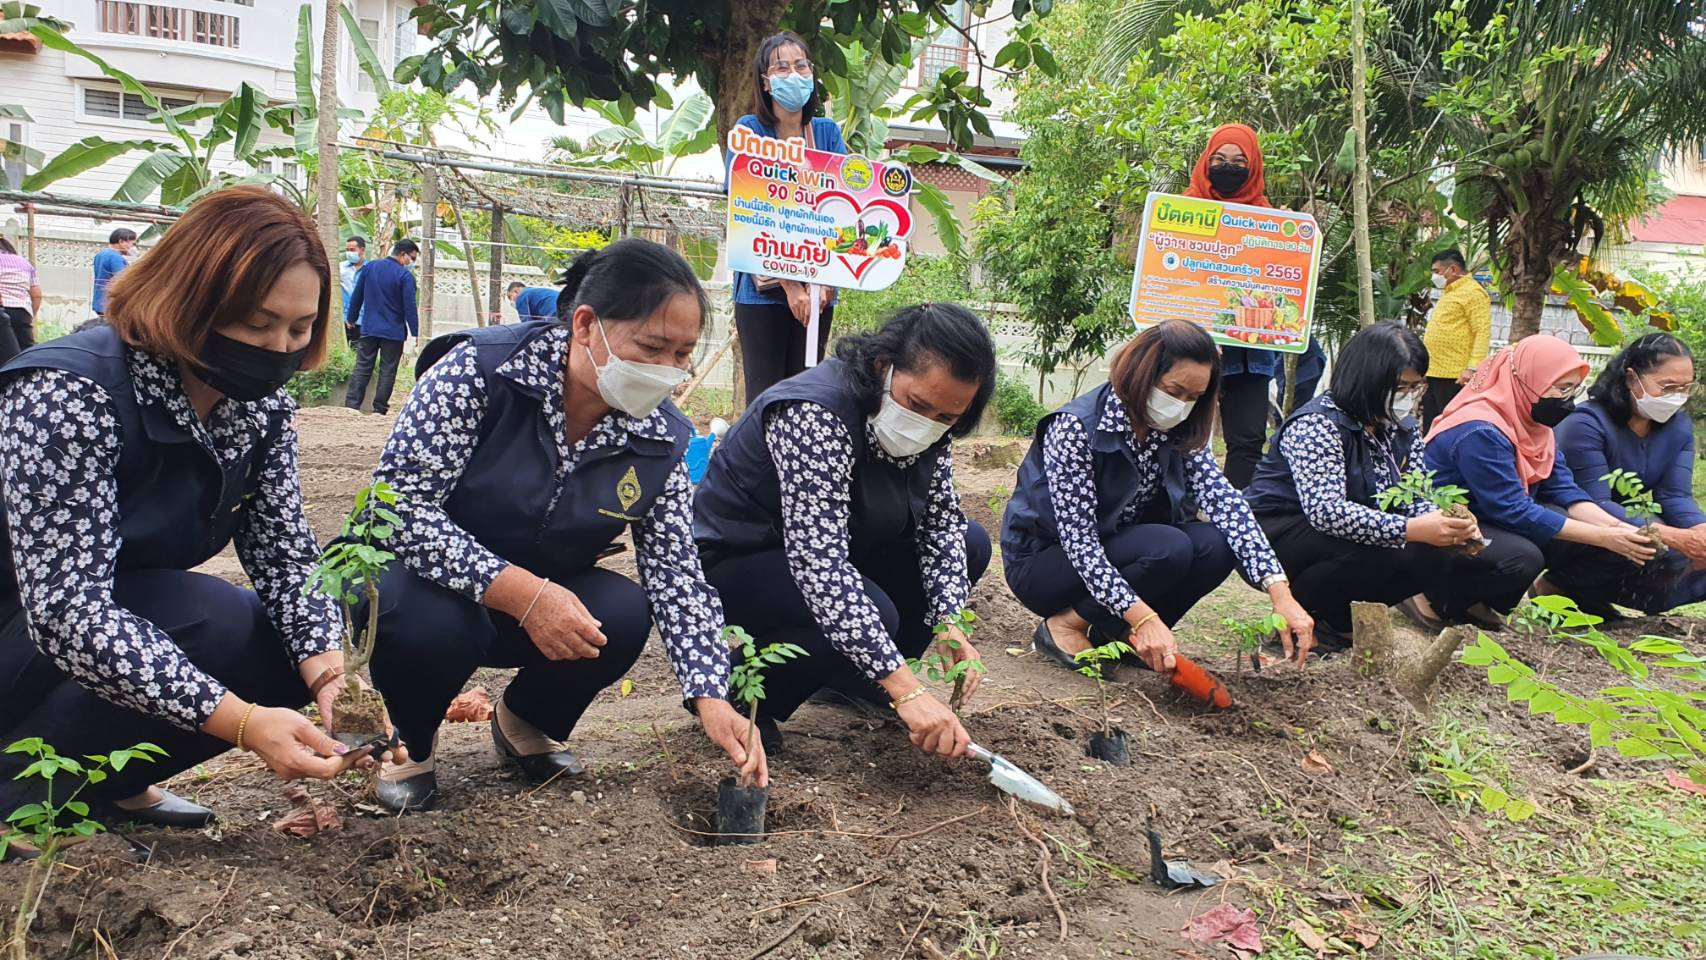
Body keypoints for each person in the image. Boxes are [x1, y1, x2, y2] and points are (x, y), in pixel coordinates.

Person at [0, 187, 374, 847]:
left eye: (298, 328)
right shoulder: (71, 393)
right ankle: (19, 794)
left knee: (285, 643)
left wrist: (331, 677)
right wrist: (240, 723)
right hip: (25, 622)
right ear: (193, 298)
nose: (278, 348)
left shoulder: (255, 409)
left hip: (98, 618)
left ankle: (101, 786)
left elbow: (285, 556)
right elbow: (67, 611)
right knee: (212, 614)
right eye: (258, 324)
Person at [360, 239, 762, 813]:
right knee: (426, 620)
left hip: (543, 592)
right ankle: (411, 743)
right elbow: (396, 510)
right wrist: (522, 592)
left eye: (682, 353)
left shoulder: (658, 437)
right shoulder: (481, 371)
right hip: (424, 586)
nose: (667, 371)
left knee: (622, 612)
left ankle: (524, 723)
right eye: (651, 346)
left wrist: (709, 694)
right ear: (585, 325)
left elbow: (676, 573)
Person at [695, 304, 996, 760]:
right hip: (740, 556)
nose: (928, 425)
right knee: (871, 609)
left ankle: (853, 679)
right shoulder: (814, 412)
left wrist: (950, 623)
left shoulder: (933, 433)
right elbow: (819, 568)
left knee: (969, 542)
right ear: (883, 367)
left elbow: (941, 524)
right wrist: (909, 689)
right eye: (917, 406)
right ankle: (744, 697)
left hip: (836, 547)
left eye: (947, 418)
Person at [1002, 320, 1315, 676]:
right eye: (1174, 390)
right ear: (1141, 374)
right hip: (1045, 562)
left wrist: (1279, 592)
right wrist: (1144, 615)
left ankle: (1116, 633)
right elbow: (1081, 544)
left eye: (1194, 398)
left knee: (1215, 544)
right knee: (1167, 545)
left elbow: (1227, 504)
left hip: (1124, 549)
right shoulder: (1076, 428)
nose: (1181, 406)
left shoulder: (1176, 431)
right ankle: (1065, 626)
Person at [1246, 323, 1485, 646]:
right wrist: (1411, 529)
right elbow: (1326, 512)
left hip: (1349, 532)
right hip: (1283, 532)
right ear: (1367, 379)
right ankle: (1303, 618)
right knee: (1383, 552)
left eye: (1416, 387)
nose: (1408, 397)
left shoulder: (1401, 426)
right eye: (1400, 386)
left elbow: (1415, 490)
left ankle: (1338, 623)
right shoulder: (1317, 425)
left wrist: (1444, 523)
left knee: (1436, 553)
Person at [1421, 335, 1656, 627]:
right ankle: (1430, 596)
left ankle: (1492, 600)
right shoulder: (1480, 429)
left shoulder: (1532, 422)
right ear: (1528, 380)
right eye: (1561, 388)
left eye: (1573, 389)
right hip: (1451, 524)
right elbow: (1511, 509)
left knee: (1585, 532)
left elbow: (1562, 488)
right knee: (1522, 557)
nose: (1568, 399)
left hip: (1489, 517)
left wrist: (1618, 528)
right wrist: (1605, 536)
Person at [726, 32, 849, 402]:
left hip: (820, 292)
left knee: (806, 396)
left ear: (811, 73)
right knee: (764, 399)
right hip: (762, 294)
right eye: (781, 67)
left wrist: (824, 283)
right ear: (765, 80)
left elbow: (843, 205)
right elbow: (745, 212)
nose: (793, 74)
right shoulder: (750, 131)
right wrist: (791, 286)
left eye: (800, 66)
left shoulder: (827, 133)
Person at [1552, 334, 1706, 614]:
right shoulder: (1585, 424)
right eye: (1668, 387)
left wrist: (1699, 531)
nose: (1677, 398)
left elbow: (1674, 495)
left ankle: (1597, 596)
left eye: (1685, 389)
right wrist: (1672, 537)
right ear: (1632, 378)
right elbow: (1593, 503)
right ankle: (1559, 585)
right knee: (1658, 548)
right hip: (1574, 522)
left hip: (1622, 519)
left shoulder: (1678, 427)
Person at [1182, 124, 1283, 487]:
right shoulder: (1182, 212)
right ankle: (1180, 506)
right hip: (1189, 347)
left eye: (1239, 161)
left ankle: (1239, 513)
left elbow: (1285, 283)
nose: (1228, 167)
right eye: (1219, 159)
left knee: (1248, 438)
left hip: (1249, 353)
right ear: (1205, 161)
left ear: (1253, 166)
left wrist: (1298, 238)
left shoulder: (1272, 220)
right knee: (1180, 432)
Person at [345, 238, 419, 416]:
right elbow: (409, 307)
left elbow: (357, 294)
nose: (412, 263)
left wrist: (351, 318)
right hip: (393, 333)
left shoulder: (371, 267)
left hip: (369, 328)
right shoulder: (405, 276)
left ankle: (351, 406)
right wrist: (415, 332)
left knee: (362, 366)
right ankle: (379, 408)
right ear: (403, 255)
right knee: (388, 370)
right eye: (412, 258)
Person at [1420, 248, 1491, 431]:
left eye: (1437, 271)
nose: (1435, 276)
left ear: (1452, 269)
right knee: (1431, 424)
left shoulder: (1473, 293)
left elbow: (1481, 332)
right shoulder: (1449, 292)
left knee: (1448, 425)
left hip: (1455, 375)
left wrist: (1472, 368)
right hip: (1435, 371)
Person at [0, 237, 40, 364]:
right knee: (25, 355)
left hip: (2, 309)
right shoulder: (24, 263)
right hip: (21, 311)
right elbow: (37, 295)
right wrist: (30, 315)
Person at [91, 227, 136, 318]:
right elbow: (122, 281)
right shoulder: (116, 258)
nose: (132, 248)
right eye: (132, 244)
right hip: (111, 303)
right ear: (121, 242)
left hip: (99, 301)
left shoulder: (100, 255)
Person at [341, 235, 367, 343]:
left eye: (352, 250)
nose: (349, 253)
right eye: (347, 250)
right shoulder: (340, 268)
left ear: (362, 250)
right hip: (343, 318)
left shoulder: (370, 269)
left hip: (362, 320)